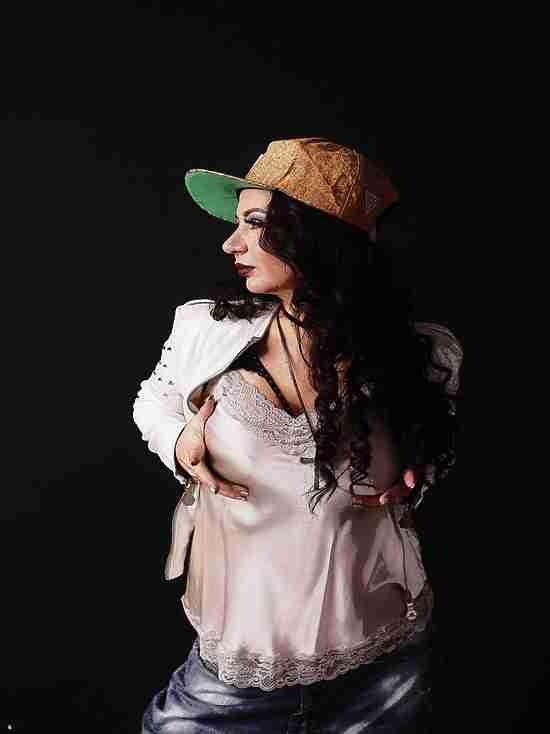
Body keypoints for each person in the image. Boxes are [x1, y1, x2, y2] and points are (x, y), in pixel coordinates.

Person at [132, 137, 463, 733]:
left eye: (256, 224)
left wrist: (421, 466)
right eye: (238, 224)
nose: (231, 243)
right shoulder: (206, 331)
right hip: (237, 669)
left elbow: (433, 442)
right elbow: (152, 400)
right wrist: (179, 440)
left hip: (382, 665)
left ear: (315, 236)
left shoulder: (420, 355)